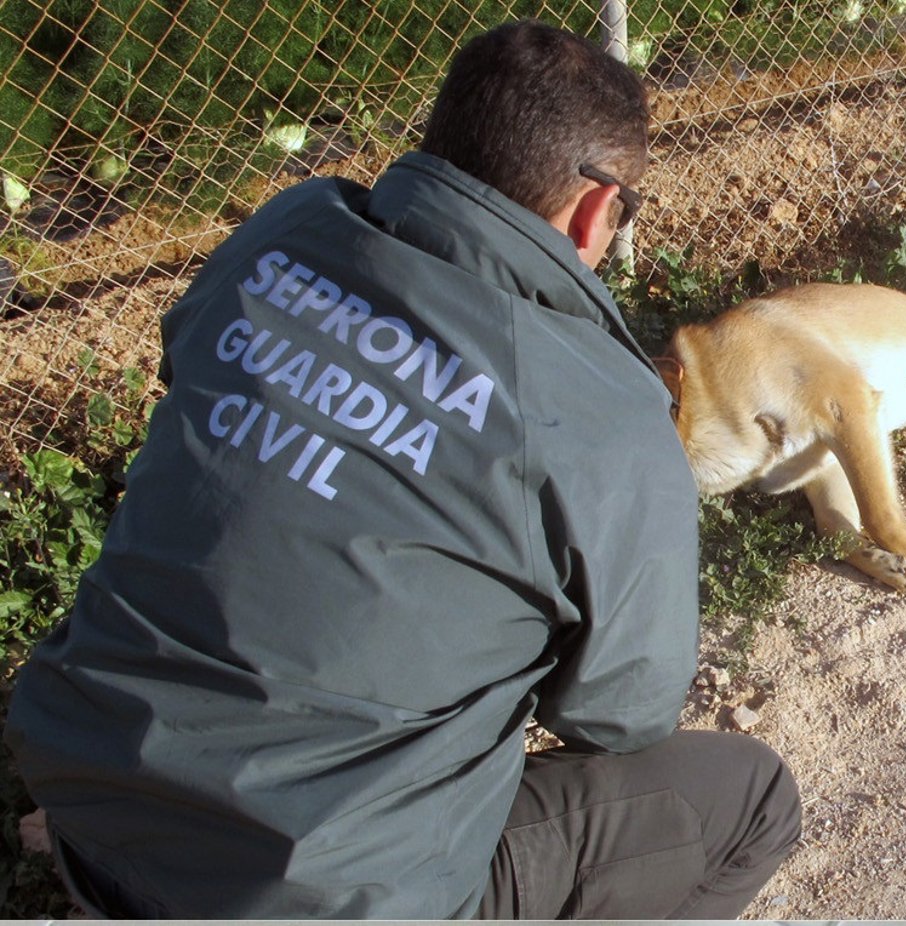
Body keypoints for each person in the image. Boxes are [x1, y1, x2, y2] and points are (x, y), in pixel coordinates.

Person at [5, 19, 801, 919]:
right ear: (595, 210)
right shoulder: (603, 412)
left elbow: (187, 362)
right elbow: (621, 713)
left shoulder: (285, 233)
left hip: (93, 815)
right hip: (315, 899)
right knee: (753, 800)